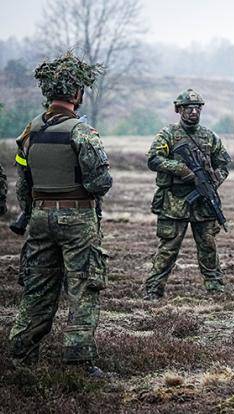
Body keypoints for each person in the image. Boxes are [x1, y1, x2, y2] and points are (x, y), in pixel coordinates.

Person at [9, 52, 111, 375]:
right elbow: (100, 182)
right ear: (77, 94)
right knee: (83, 287)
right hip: (77, 219)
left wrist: (30, 212)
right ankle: (79, 361)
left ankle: (21, 355)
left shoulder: (30, 132)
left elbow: (22, 183)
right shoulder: (82, 132)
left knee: (37, 287)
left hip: (39, 218)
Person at [144, 89, 231, 300]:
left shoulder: (210, 136)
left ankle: (215, 288)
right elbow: (153, 159)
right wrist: (181, 170)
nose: (193, 112)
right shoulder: (168, 135)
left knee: (208, 246)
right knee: (168, 248)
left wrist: (212, 181)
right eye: (188, 108)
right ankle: (154, 289)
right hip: (175, 200)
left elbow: (224, 164)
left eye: (197, 108)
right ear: (179, 110)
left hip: (203, 202)